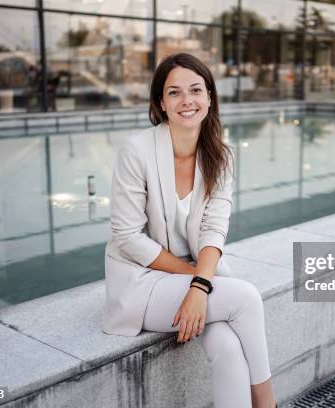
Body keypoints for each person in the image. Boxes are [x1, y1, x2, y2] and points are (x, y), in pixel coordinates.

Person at [101, 53, 277, 408]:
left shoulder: (221, 154)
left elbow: (215, 228)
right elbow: (128, 237)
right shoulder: (137, 152)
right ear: (160, 103)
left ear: (210, 97)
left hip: (193, 275)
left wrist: (200, 283)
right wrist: (199, 282)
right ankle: (268, 403)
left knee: (228, 348)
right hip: (143, 281)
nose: (187, 101)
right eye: (175, 93)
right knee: (245, 298)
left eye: (196, 90)